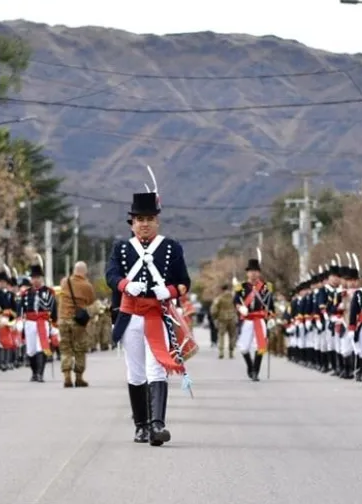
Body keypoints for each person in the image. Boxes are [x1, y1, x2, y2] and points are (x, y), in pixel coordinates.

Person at [106, 181, 191, 446]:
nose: (144, 224)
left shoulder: (171, 248)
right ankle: (140, 425)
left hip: (156, 314)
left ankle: (157, 425)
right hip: (130, 315)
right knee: (136, 372)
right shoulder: (121, 248)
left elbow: (184, 282)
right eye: (140, 219)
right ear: (131, 223)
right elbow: (110, 275)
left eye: (150, 219)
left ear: (157, 222)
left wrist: (171, 292)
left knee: (158, 368)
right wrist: (125, 285)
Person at [234, 257, 275, 381]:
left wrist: (271, 317)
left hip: (260, 319)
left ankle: (255, 371)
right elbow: (236, 301)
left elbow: (270, 304)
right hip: (247, 319)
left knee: (261, 346)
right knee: (244, 347)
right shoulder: (241, 287)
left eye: (256, 271)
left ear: (259, 273)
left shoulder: (265, 287)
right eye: (251, 271)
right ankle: (250, 365)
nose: (253, 273)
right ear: (247, 273)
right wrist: (241, 308)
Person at [17, 262, 58, 382]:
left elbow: (53, 310)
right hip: (29, 323)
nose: (35, 280)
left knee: (42, 347)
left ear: (42, 278)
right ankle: (34, 372)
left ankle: (40, 373)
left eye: (38, 278)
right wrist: (19, 321)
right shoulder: (25, 293)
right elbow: (21, 309)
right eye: (33, 278)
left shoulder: (49, 292)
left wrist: (54, 325)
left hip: (43, 322)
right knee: (31, 350)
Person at [58, 261, 96, 387]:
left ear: (74, 270)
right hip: (77, 322)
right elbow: (91, 302)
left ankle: (67, 376)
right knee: (79, 349)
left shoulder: (64, 282)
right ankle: (79, 378)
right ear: (84, 272)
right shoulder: (87, 286)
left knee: (65, 349)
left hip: (63, 320)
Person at [210, 284, 238, 359]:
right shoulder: (234, 297)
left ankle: (221, 352)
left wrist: (215, 317)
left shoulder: (219, 298)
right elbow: (238, 307)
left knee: (221, 335)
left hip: (222, 319)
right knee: (232, 335)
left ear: (222, 289)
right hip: (232, 318)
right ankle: (231, 352)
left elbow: (214, 309)